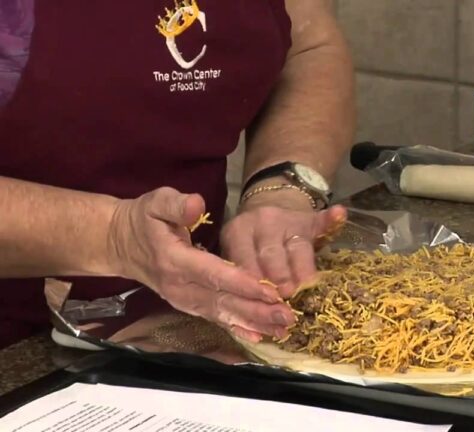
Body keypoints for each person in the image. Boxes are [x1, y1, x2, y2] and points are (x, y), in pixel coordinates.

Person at [0, 0, 355, 349]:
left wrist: (278, 189)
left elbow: (307, 48)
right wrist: (112, 235)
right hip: (15, 349)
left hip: (189, 330)